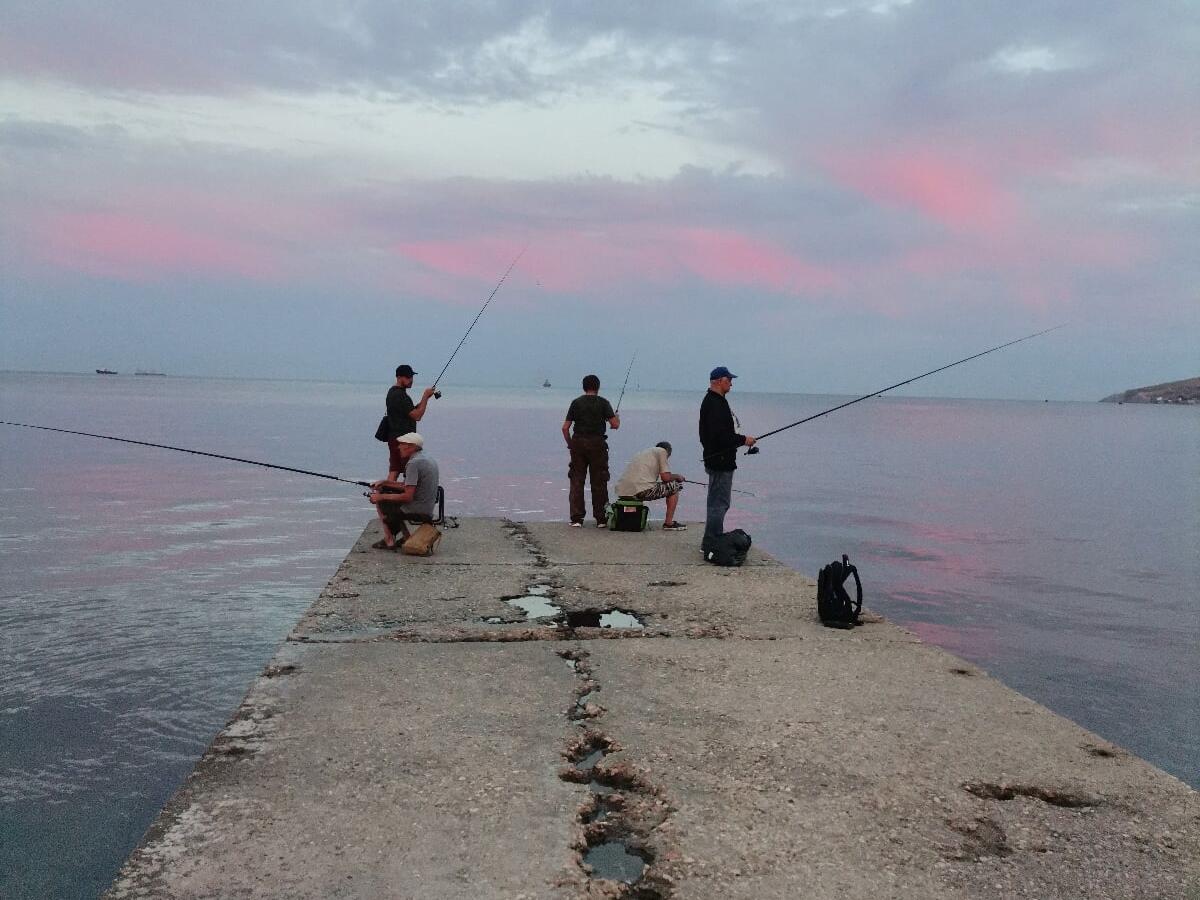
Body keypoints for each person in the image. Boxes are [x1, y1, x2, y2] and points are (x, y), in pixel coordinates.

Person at [698, 366, 755, 543]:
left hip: (717, 458)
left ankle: (711, 539)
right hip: (720, 461)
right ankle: (712, 541)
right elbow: (721, 436)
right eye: (729, 380)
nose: (731, 383)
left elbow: (709, 435)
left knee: (716, 502)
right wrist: (744, 440)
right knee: (719, 503)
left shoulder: (715, 401)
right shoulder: (714, 403)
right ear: (718, 381)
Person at [562, 374, 620, 527]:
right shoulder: (603, 403)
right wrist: (616, 417)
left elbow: (565, 428)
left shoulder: (576, 403)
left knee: (576, 481)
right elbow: (615, 425)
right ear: (598, 387)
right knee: (599, 481)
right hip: (597, 444)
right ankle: (601, 519)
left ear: (583, 387)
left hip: (578, 443)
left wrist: (570, 444)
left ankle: (576, 518)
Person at [367, 433, 440, 549]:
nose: (399, 447)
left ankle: (389, 540)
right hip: (427, 506)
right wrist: (385, 483)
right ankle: (405, 537)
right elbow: (409, 486)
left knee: (381, 502)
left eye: (402, 444)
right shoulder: (425, 458)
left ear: (411, 446)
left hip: (418, 509)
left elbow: (407, 496)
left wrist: (381, 497)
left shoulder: (413, 464)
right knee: (386, 495)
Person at [613, 441, 687, 530]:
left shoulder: (643, 453)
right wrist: (678, 476)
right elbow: (666, 477)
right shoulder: (662, 451)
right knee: (675, 486)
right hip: (640, 491)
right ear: (668, 452)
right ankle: (669, 523)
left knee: (665, 485)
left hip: (623, 492)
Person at [385, 364, 435, 479]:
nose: (411, 380)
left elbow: (409, 412)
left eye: (411, 377)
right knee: (401, 470)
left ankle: (390, 492)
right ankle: (404, 493)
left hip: (395, 438)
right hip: (402, 441)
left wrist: (422, 402)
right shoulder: (400, 395)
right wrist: (425, 397)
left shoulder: (393, 392)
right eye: (407, 377)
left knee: (396, 469)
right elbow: (417, 416)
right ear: (399, 377)